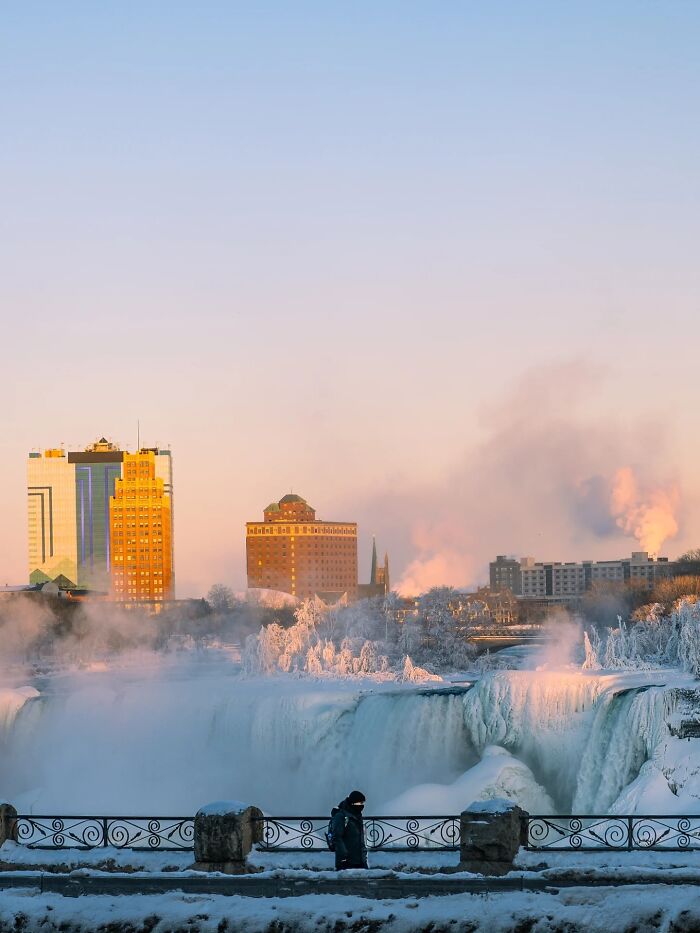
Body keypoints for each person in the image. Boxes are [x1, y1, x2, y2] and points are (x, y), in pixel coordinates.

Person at [330, 790, 368, 870]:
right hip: (346, 862)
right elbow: (337, 837)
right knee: (347, 882)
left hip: (360, 861)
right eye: (359, 803)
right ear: (352, 803)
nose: (361, 805)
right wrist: (344, 856)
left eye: (362, 803)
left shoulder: (356, 815)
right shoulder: (341, 816)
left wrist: (364, 855)